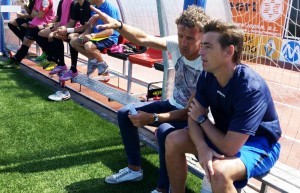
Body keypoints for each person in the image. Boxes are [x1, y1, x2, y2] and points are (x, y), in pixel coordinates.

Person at [92, 5, 211, 193]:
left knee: (165, 131)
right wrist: (119, 26)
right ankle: (134, 169)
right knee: (125, 113)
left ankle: (163, 188)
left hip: (195, 119)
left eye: (190, 38)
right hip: (173, 105)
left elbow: (189, 113)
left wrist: (154, 118)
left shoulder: (207, 62)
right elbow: (142, 38)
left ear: (202, 37)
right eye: (180, 36)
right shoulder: (176, 43)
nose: (183, 43)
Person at [165, 19, 282, 193]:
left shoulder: (250, 88)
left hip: (258, 145)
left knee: (218, 172)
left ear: (229, 51)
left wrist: (202, 119)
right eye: (202, 45)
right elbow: (192, 117)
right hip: (223, 135)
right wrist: (202, 147)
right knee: (173, 140)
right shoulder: (207, 75)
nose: (201, 51)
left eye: (208, 47)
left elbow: (230, 147)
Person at [59, 0, 120, 81]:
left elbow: (110, 31)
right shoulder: (94, 7)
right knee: (74, 41)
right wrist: (83, 35)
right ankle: (97, 62)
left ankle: (101, 65)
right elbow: (90, 27)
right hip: (96, 36)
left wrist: (92, 35)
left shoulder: (110, 8)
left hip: (109, 37)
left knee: (88, 46)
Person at [2, 0, 55, 69]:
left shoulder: (45, 1)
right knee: (26, 41)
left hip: (44, 24)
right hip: (35, 24)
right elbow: (33, 14)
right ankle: (15, 61)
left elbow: (40, 15)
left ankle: (53, 60)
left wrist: (36, 13)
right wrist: (35, 12)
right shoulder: (37, 1)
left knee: (29, 40)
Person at [45, 0, 91, 77]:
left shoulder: (88, 5)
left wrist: (67, 30)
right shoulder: (77, 5)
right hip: (81, 30)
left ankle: (73, 69)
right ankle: (61, 64)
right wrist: (61, 29)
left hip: (89, 32)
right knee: (57, 34)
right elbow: (71, 23)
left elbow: (87, 27)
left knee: (71, 38)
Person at [34, 0, 74, 71]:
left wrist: (56, 28)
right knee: (39, 33)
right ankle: (50, 58)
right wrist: (52, 24)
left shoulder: (73, 2)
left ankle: (59, 62)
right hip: (61, 25)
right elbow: (58, 17)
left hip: (70, 28)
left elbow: (72, 22)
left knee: (54, 35)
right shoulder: (62, 1)